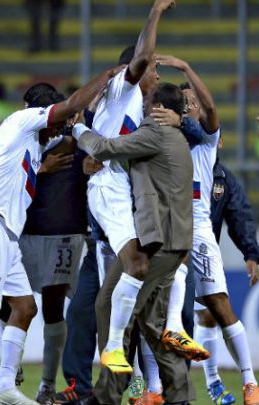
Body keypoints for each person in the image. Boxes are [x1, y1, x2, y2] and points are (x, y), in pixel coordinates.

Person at [0, 63, 115, 405]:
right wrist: (106, 77)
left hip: (5, 233)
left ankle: (5, 386)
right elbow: (69, 107)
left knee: (24, 306)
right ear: (43, 114)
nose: (60, 130)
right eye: (57, 124)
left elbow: (55, 149)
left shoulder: (32, 142)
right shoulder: (23, 123)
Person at [73, 82, 196, 405]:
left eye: (146, 105)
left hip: (158, 243)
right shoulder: (174, 137)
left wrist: (79, 129)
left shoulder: (154, 134)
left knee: (111, 305)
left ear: (157, 109)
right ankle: (179, 395)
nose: (141, 108)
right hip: (172, 243)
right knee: (152, 323)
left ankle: (107, 394)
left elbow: (104, 148)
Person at [155, 54, 259, 405]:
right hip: (163, 228)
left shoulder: (204, 144)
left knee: (218, 305)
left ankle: (249, 382)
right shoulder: (162, 139)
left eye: (192, 103)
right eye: (182, 104)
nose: (188, 108)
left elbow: (212, 111)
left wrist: (186, 69)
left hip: (198, 231)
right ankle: (153, 389)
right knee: (149, 308)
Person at [15, 84, 86, 405]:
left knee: (53, 307)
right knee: (8, 304)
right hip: (22, 233)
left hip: (63, 233)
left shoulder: (74, 146)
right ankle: (10, 370)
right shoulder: (17, 144)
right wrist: (39, 170)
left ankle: (46, 384)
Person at [192, 135, 259, 405]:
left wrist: (251, 254)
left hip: (200, 250)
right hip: (167, 247)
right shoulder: (175, 164)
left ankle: (233, 383)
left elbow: (240, 215)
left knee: (212, 313)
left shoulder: (223, 179)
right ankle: (150, 387)